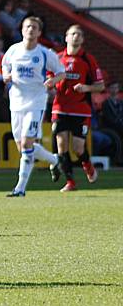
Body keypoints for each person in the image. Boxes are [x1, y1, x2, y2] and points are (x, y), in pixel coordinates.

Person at [1, 16, 65, 197]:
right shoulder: (13, 51)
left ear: (39, 32)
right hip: (16, 103)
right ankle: (54, 159)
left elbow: (62, 72)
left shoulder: (45, 54)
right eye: (27, 26)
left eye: (34, 27)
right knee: (23, 148)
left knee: (28, 142)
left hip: (36, 102)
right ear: (22, 30)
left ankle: (20, 188)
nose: (30, 29)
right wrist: (6, 75)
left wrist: (53, 80)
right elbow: (4, 66)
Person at [51, 25, 105, 192]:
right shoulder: (57, 58)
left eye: (79, 34)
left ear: (82, 39)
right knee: (61, 145)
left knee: (78, 147)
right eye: (73, 34)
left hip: (80, 109)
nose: (76, 36)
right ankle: (70, 182)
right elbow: (49, 78)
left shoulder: (88, 59)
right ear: (66, 37)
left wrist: (86, 88)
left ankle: (87, 165)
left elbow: (100, 85)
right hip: (60, 108)